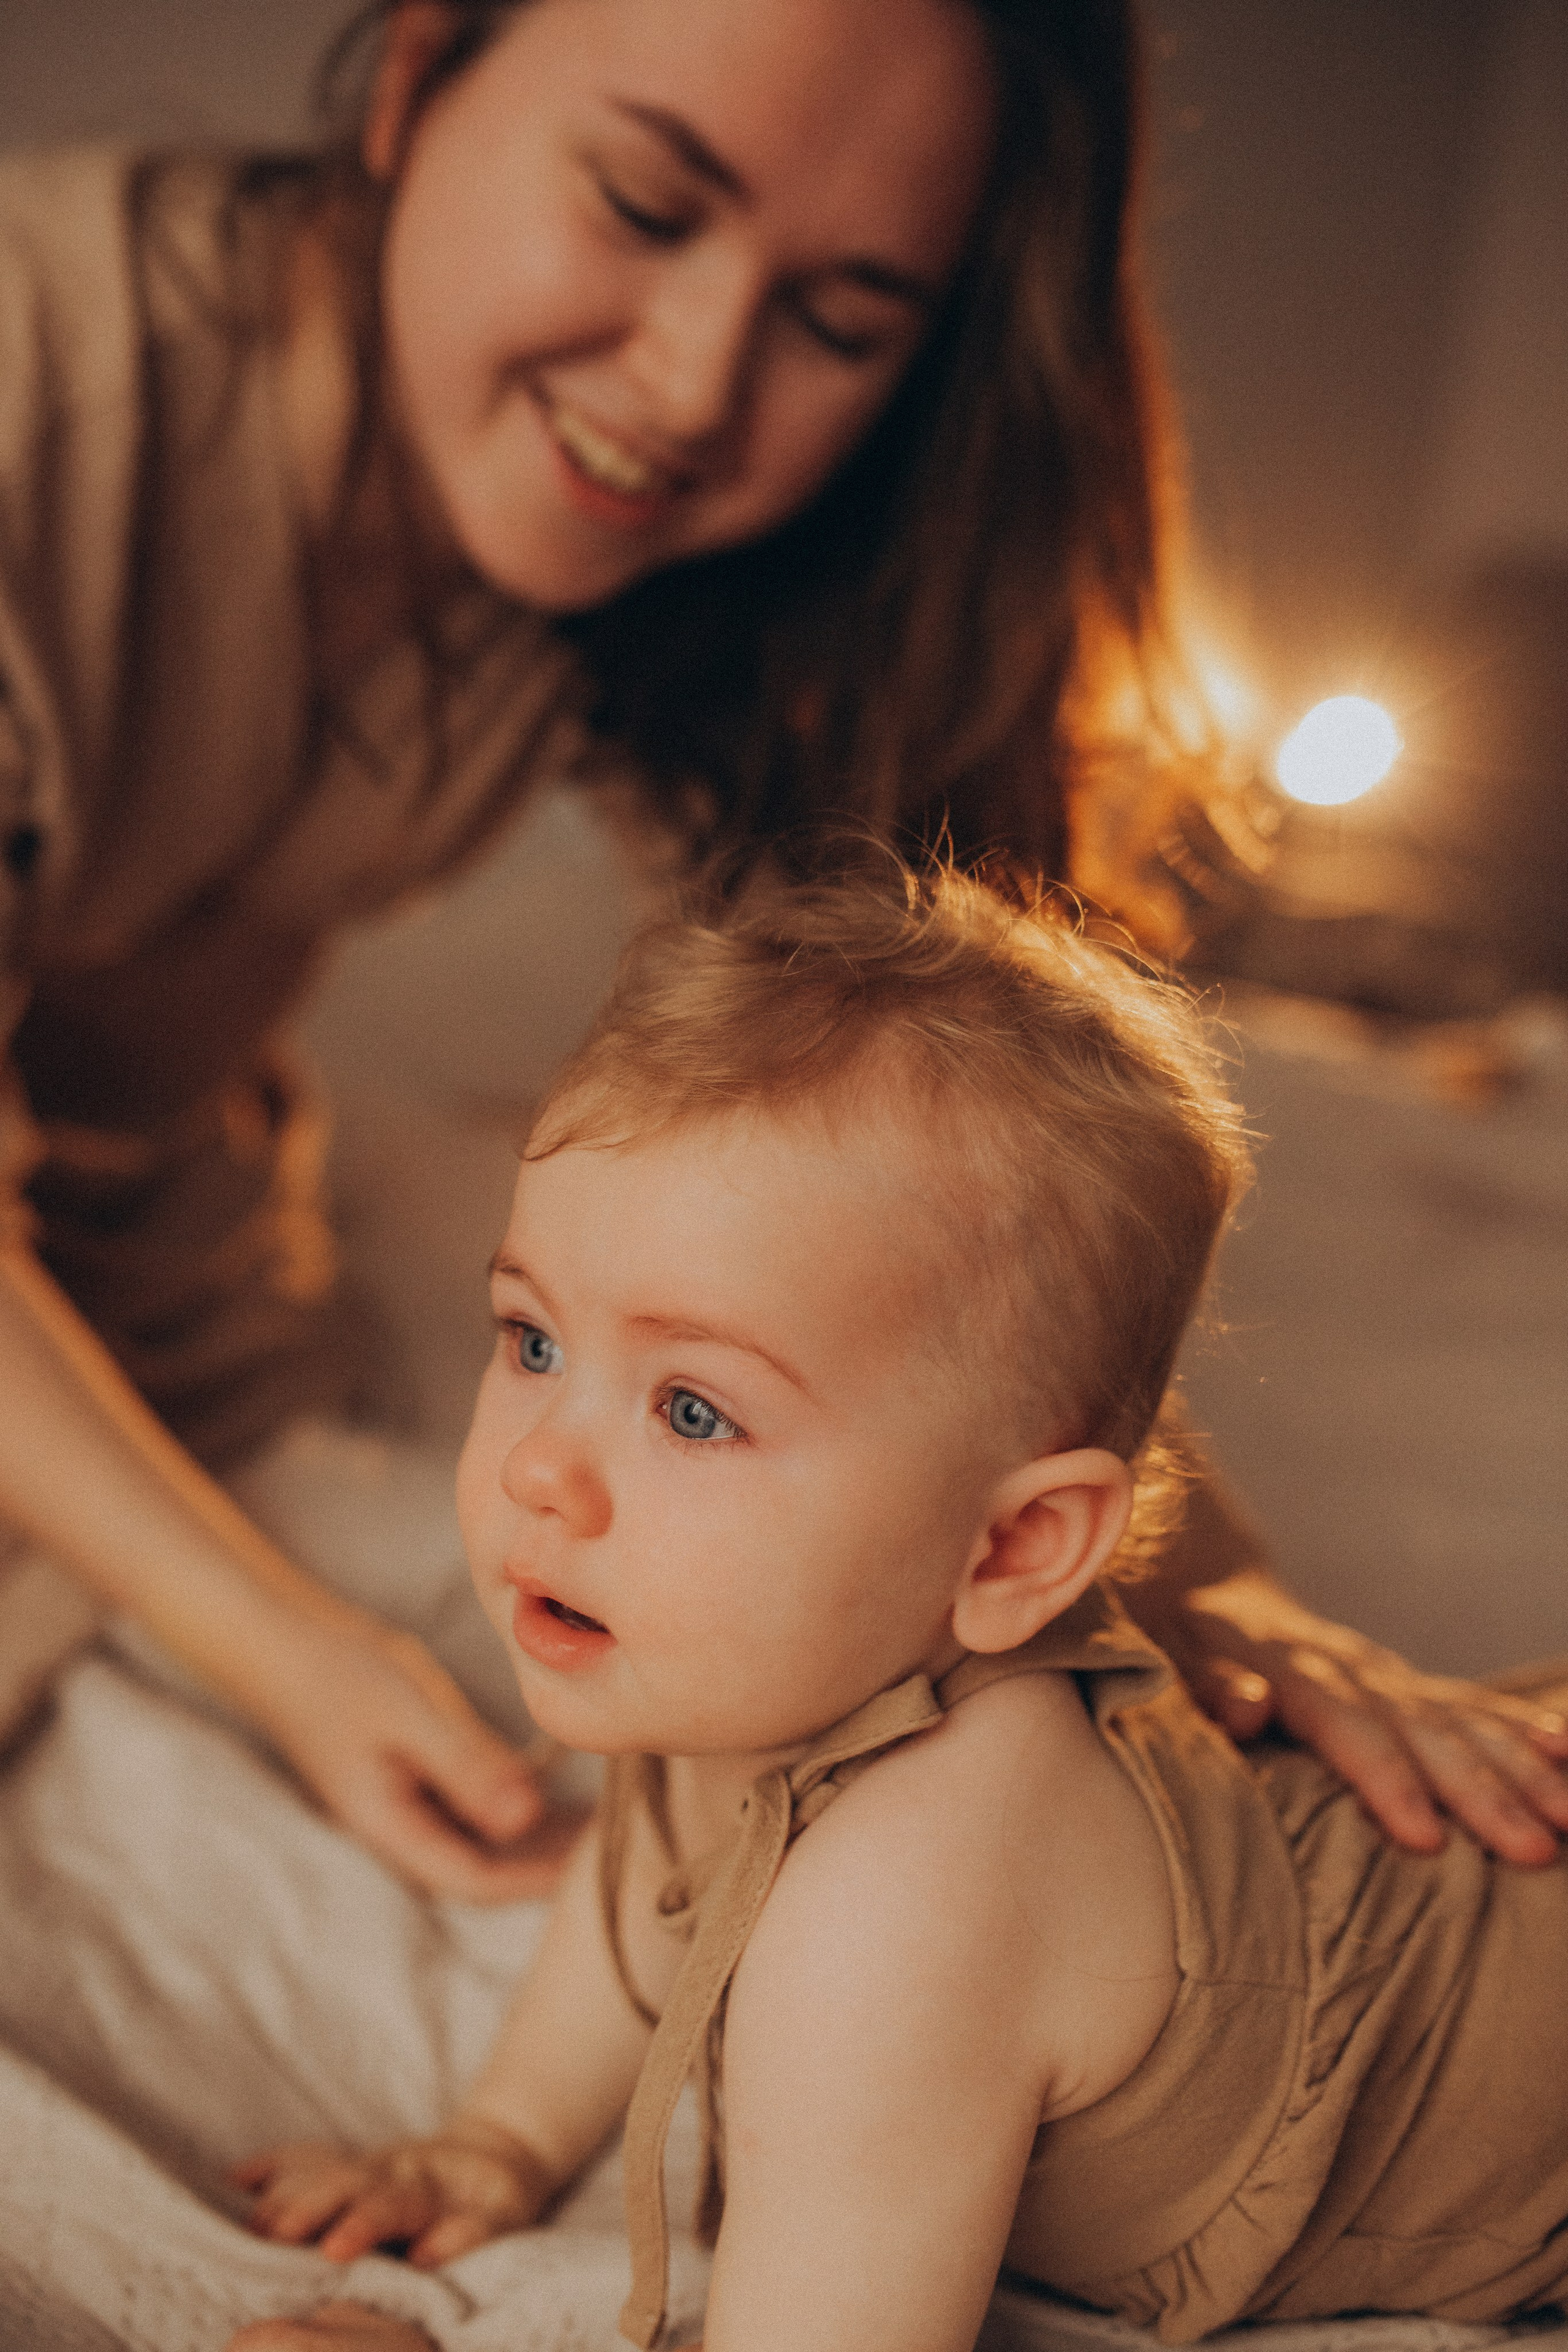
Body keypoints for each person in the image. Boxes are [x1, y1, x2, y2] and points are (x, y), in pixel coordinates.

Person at [1, 0, 1563, 1908]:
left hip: (176, 1251)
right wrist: (288, 1656)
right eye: (645, 203)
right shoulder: (39, 382)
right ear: (416, 77)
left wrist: (1215, 1570)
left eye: (840, 323)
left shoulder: (652, 541)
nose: (689, 382)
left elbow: (975, 1139)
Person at [228, 862, 1568, 2352]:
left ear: (1010, 1551)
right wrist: (501, 2142)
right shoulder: (728, 1651)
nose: (543, 1471)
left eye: (690, 1409)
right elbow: (650, 1884)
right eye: (532, 1341)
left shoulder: (912, 1894)